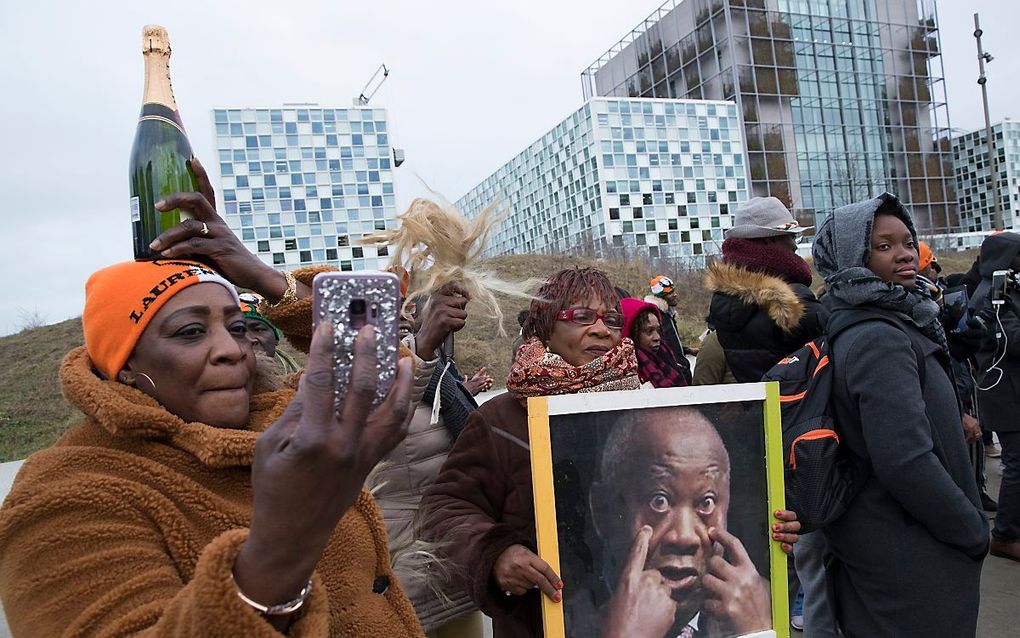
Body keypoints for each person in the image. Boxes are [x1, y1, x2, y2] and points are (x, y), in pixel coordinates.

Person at [0, 258, 422, 637]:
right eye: (191, 332)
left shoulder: (279, 413)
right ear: (126, 365)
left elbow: (386, 376)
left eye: (237, 327)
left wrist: (263, 276)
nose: (232, 350)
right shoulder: (67, 492)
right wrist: (291, 536)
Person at [421, 268, 801, 638]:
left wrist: (773, 529)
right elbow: (447, 506)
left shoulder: (650, 408)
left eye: (613, 320)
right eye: (582, 317)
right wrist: (495, 556)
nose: (602, 330)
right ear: (545, 327)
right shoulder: (500, 419)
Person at [812, 192, 989, 636]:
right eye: (883, 245)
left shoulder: (885, 319)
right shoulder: (878, 337)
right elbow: (904, 459)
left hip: (897, 543)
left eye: (907, 241)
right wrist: (970, 530)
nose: (906, 254)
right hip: (909, 553)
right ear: (853, 256)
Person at [590, 407, 772, 638]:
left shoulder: (761, 609)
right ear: (602, 511)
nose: (685, 537)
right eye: (659, 501)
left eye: (706, 502)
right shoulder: (557, 622)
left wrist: (757, 631)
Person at [373, 284, 486, 637]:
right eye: (385, 313)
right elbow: (385, 420)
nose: (402, 319)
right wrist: (421, 346)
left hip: (451, 564)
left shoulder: (441, 375)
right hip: (405, 572)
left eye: (404, 311)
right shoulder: (357, 388)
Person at [695, 196, 825, 386]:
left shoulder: (724, 302)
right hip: (803, 409)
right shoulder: (791, 299)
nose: (795, 245)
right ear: (769, 240)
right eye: (790, 236)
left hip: (762, 410)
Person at [969, 231, 1020, 562]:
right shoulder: (992, 295)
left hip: (1012, 389)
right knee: (1016, 464)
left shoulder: (1007, 289)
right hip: (1005, 393)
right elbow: (1012, 339)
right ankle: (1004, 534)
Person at [620, 298, 690, 388]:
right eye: (649, 331)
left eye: (658, 330)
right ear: (631, 333)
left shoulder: (666, 358)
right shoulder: (624, 376)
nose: (657, 337)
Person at [239, 292, 302, 374]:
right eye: (238, 330)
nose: (249, 339)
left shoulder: (301, 384)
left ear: (276, 338)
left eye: (258, 330)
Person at [644, 275, 698, 366]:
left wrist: (688, 350)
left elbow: (672, 344)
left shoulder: (668, 314)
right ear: (661, 297)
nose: (675, 295)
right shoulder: (658, 317)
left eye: (674, 291)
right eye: (670, 293)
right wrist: (678, 367)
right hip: (674, 372)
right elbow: (660, 348)